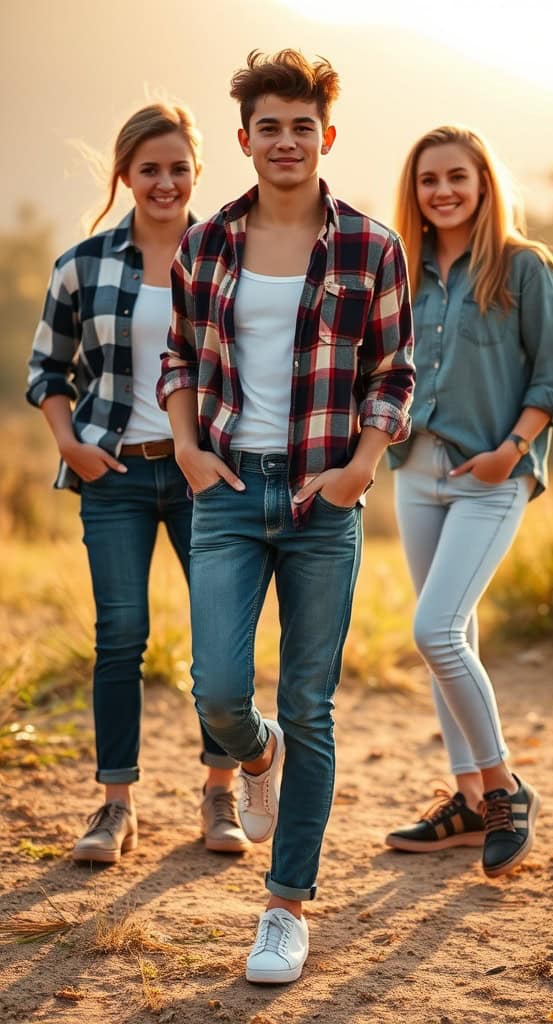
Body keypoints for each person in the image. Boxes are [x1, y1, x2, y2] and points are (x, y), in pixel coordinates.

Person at [157, 50, 414, 983]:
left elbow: (395, 376)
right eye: (270, 125)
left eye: (303, 125)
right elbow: (180, 359)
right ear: (245, 140)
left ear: (327, 137)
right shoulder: (207, 244)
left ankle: (284, 907)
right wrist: (188, 449)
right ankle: (251, 755)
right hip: (225, 490)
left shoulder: (369, 247)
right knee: (218, 691)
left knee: (310, 704)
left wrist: (358, 469)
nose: (287, 140)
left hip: (320, 500)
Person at [27, 103, 249, 864]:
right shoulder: (81, 264)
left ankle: (218, 792)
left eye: (178, 168)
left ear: (197, 171)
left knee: (217, 639)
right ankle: (115, 806)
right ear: (124, 175)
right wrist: (70, 445)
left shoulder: (229, 255)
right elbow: (46, 371)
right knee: (121, 636)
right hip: (113, 473)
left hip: (204, 477)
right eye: (149, 169)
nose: (165, 182)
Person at [385, 125, 553, 877]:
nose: (444, 191)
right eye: (429, 179)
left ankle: (503, 789)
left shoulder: (525, 268)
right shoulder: (403, 272)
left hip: (494, 474)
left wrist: (511, 451)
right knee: (448, 640)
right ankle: (465, 802)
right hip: (416, 472)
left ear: (484, 181)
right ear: (416, 192)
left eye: (457, 176)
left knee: (434, 630)